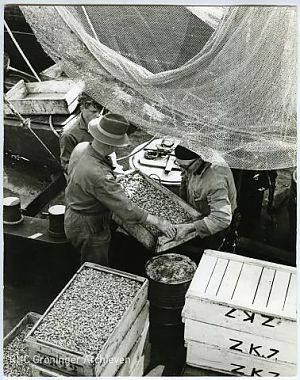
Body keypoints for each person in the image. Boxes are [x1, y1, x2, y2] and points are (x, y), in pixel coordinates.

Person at [64, 113, 176, 266]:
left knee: (85, 253)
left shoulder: (81, 147)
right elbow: (126, 209)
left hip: (73, 215)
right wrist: (158, 221)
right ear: (110, 145)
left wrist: (113, 178)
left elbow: (88, 181)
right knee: (95, 266)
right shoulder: (100, 176)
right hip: (90, 226)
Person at [173, 145, 237, 263]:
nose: (183, 170)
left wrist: (191, 227)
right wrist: (182, 205)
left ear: (199, 160)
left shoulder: (215, 179)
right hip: (198, 212)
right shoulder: (192, 164)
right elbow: (185, 178)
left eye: (185, 167)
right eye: (179, 165)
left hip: (215, 225)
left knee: (207, 256)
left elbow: (222, 219)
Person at [59, 94, 102, 173]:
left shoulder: (101, 120)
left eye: (100, 111)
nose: (98, 115)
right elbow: (67, 165)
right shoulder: (69, 135)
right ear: (82, 108)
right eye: (93, 112)